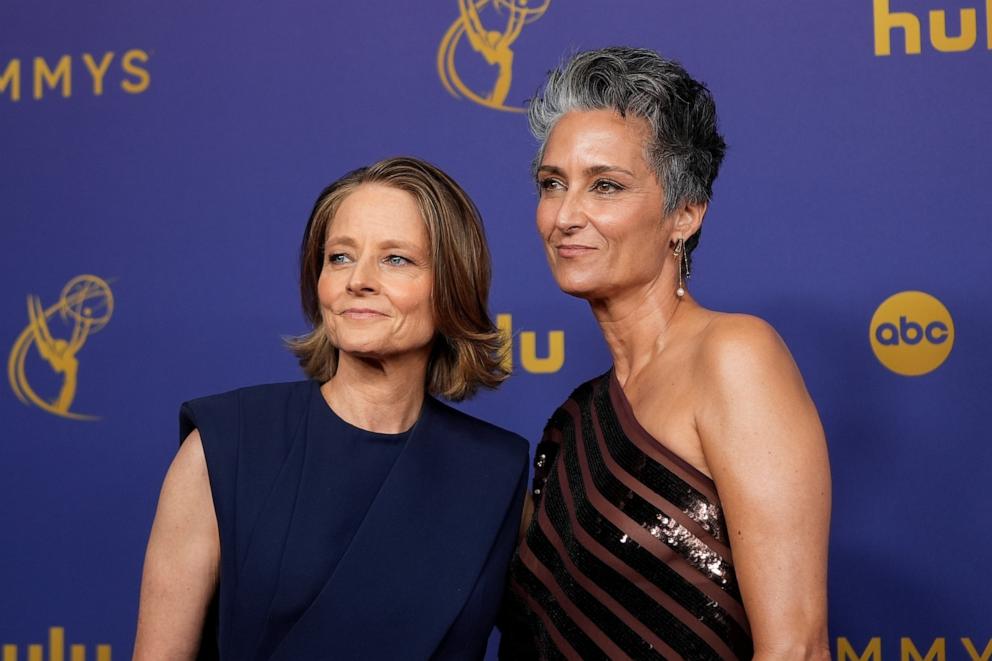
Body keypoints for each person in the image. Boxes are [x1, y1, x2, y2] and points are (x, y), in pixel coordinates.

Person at [499, 47, 832, 660]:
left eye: (605, 186)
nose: (566, 215)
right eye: (552, 184)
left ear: (685, 212)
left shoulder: (734, 356)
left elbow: (798, 649)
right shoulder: (572, 422)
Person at [134, 156, 529, 660]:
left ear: (452, 284)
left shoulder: (496, 475)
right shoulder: (224, 446)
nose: (358, 280)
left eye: (396, 259)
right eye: (340, 257)